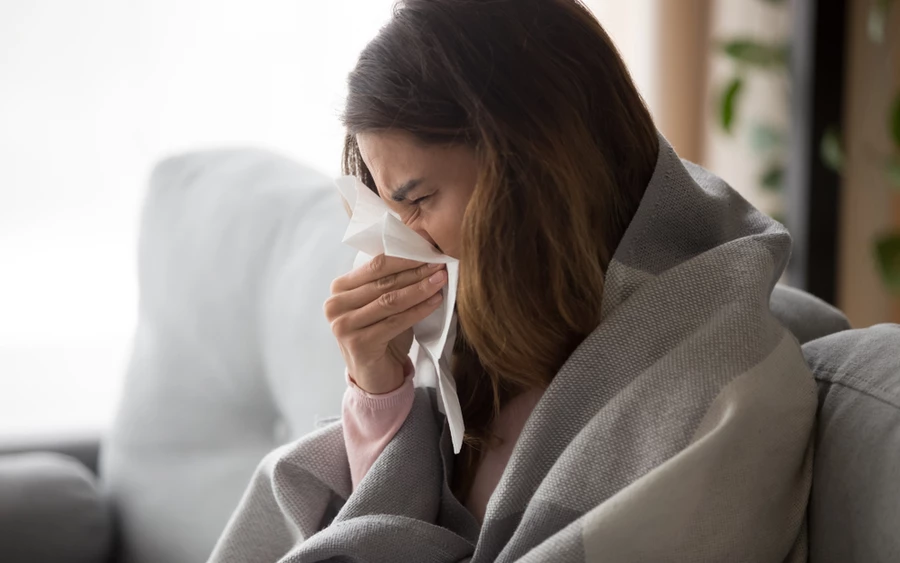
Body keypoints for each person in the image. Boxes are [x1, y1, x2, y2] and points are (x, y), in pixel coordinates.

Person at [208, 1, 816, 561]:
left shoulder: (717, 380)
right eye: (383, 213)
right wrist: (380, 397)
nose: (402, 243)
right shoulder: (474, 359)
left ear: (534, 167)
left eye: (416, 201)